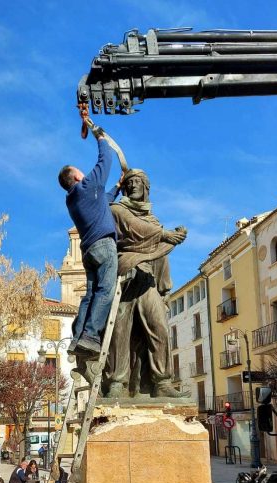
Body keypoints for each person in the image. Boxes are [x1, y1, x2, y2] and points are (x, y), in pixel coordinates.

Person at [103, 169, 187, 398]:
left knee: (159, 326)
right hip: (127, 274)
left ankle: (162, 382)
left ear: (146, 187)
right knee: (120, 331)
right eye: (129, 183)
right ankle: (117, 383)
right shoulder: (117, 210)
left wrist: (164, 288)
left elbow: (160, 255)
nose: (133, 186)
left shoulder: (153, 220)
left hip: (148, 279)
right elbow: (134, 228)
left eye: (138, 182)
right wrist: (165, 235)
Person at [58, 130, 122, 357]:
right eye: (80, 171)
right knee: (106, 289)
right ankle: (92, 335)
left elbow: (104, 200)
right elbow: (107, 158)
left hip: (88, 251)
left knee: (90, 294)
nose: (84, 173)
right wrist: (100, 137)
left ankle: (77, 339)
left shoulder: (74, 199)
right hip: (104, 246)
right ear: (75, 177)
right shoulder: (87, 186)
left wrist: (118, 186)